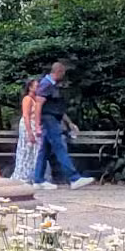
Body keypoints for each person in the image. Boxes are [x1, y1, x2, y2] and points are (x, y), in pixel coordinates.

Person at [32, 61, 94, 190]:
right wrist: (37, 125)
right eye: (63, 73)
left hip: (53, 118)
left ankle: (38, 179)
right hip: (49, 120)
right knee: (59, 146)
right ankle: (74, 178)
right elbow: (38, 105)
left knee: (45, 150)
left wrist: (69, 122)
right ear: (59, 72)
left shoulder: (52, 85)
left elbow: (57, 107)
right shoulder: (46, 84)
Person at [10, 76, 43, 184]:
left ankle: (34, 175)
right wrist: (29, 132)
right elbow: (26, 115)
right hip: (27, 126)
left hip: (35, 125)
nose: (38, 88)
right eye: (36, 86)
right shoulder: (27, 99)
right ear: (30, 87)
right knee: (26, 150)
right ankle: (22, 175)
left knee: (36, 151)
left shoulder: (37, 99)